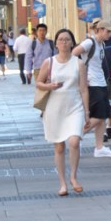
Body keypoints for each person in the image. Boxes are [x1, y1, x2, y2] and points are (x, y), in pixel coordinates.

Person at [35, 29, 90, 196]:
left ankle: (73, 177)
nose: (64, 42)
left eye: (67, 39)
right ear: (56, 43)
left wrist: (87, 111)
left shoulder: (78, 63)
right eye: (61, 39)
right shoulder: (49, 62)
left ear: (72, 42)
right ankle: (62, 183)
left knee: (74, 142)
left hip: (74, 107)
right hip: (54, 108)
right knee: (59, 147)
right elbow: (38, 83)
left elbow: (84, 89)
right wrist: (48, 86)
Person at [72, 18, 111, 158]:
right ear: (100, 30)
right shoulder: (89, 42)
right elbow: (73, 53)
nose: (110, 34)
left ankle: (99, 148)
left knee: (102, 117)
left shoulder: (101, 44)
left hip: (101, 83)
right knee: (98, 117)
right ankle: (77, 136)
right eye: (108, 31)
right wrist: (81, 73)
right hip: (93, 84)